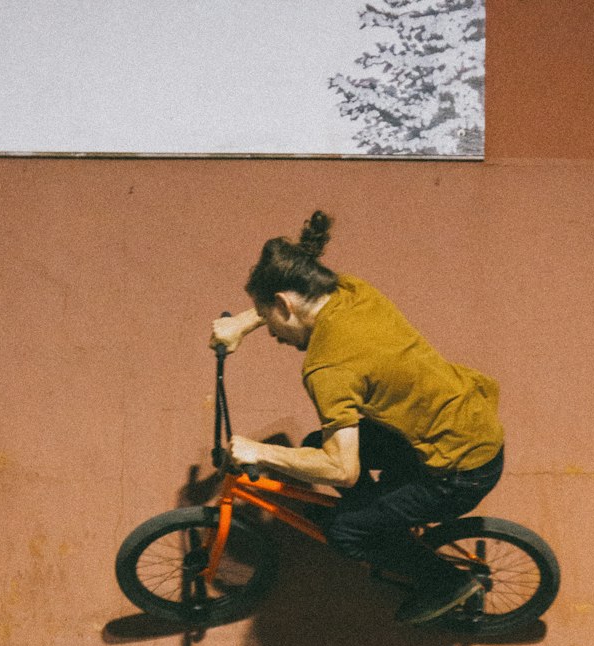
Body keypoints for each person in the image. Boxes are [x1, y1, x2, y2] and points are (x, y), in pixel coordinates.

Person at [210, 211, 505, 625]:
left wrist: (257, 450)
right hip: (466, 424)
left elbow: (343, 470)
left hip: (459, 472)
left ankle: (444, 582)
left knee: (344, 530)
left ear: (283, 304)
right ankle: (383, 517)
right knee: (316, 443)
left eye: (270, 319)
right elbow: (293, 294)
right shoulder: (349, 291)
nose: (275, 336)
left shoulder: (328, 369)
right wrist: (244, 322)